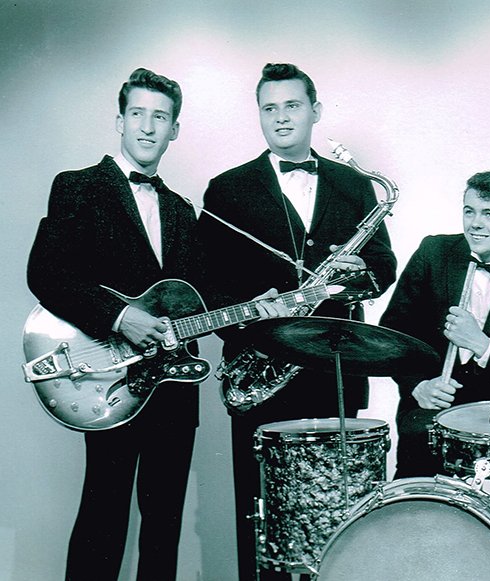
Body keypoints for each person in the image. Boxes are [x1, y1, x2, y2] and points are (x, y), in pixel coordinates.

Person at [26, 68, 285, 581]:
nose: (148, 127)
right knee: (103, 515)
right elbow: (46, 273)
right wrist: (121, 316)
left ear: (174, 130)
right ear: (119, 121)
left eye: (160, 117)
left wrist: (256, 307)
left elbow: (202, 297)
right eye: (138, 114)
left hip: (172, 386)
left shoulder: (182, 209)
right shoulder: (78, 187)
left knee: (163, 525)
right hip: (108, 377)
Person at [196, 63, 396, 581]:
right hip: (261, 370)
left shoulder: (355, 185)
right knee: (262, 515)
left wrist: (361, 273)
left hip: (337, 369)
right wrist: (251, 311)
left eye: (292, 106)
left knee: (339, 512)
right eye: (270, 108)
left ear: (315, 111)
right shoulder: (227, 189)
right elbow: (204, 285)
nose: (281, 117)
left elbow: (384, 266)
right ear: (259, 116)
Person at [380, 170, 490, 478]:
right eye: (469, 211)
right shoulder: (433, 253)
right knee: (413, 498)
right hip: (426, 417)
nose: (475, 223)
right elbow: (393, 334)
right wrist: (418, 386)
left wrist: (482, 345)